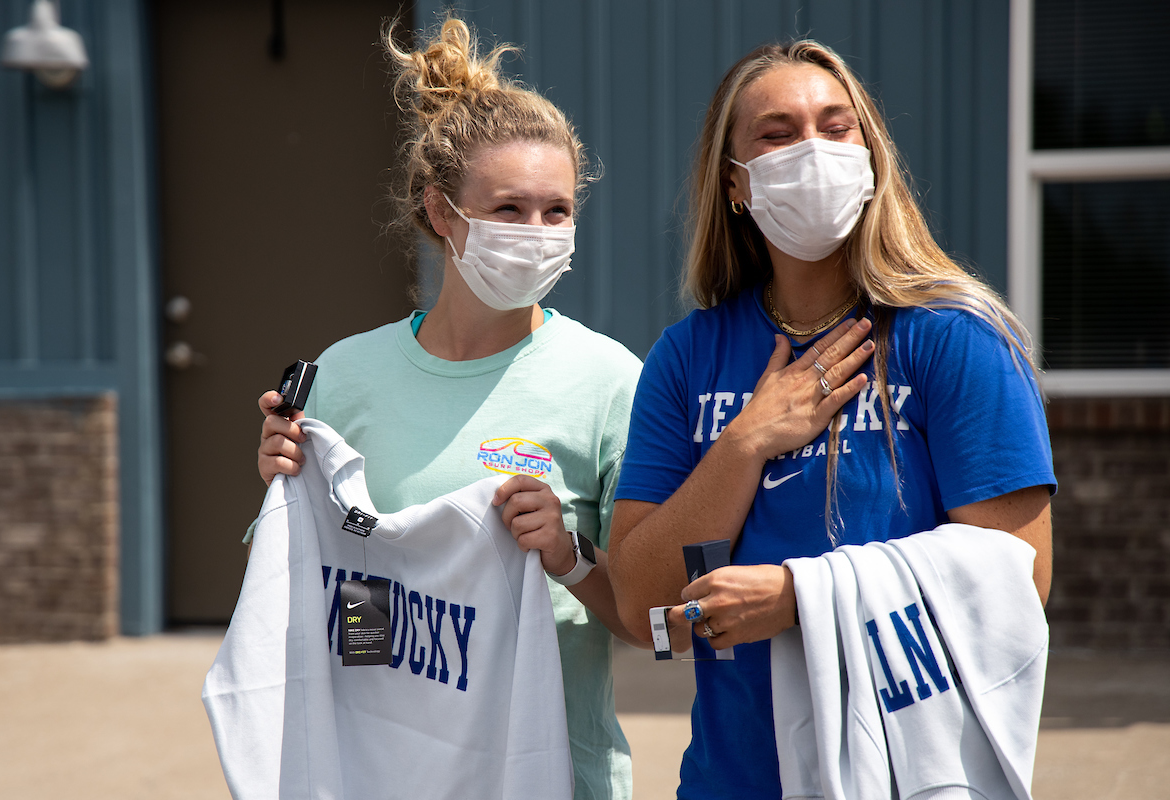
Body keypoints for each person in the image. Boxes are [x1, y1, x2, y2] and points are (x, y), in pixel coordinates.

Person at [607, 40, 1055, 798]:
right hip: (733, 780)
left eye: (836, 126)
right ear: (737, 185)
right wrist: (747, 440)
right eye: (776, 134)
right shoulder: (688, 356)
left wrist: (796, 598)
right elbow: (638, 604)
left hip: (910, 773)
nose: (811, 151)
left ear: (872, 157)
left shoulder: (957, 337)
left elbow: (1020, 579)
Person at [254, 16, 640, 800]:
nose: (537, 234)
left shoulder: (609, 381)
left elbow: (646, 620)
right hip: (388, 773)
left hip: (557, 773)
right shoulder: (345, 376)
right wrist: (280, 485)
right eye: (508, 209)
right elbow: (329, 601)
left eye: (557, 211)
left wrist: (568, 557)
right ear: (440, 212)